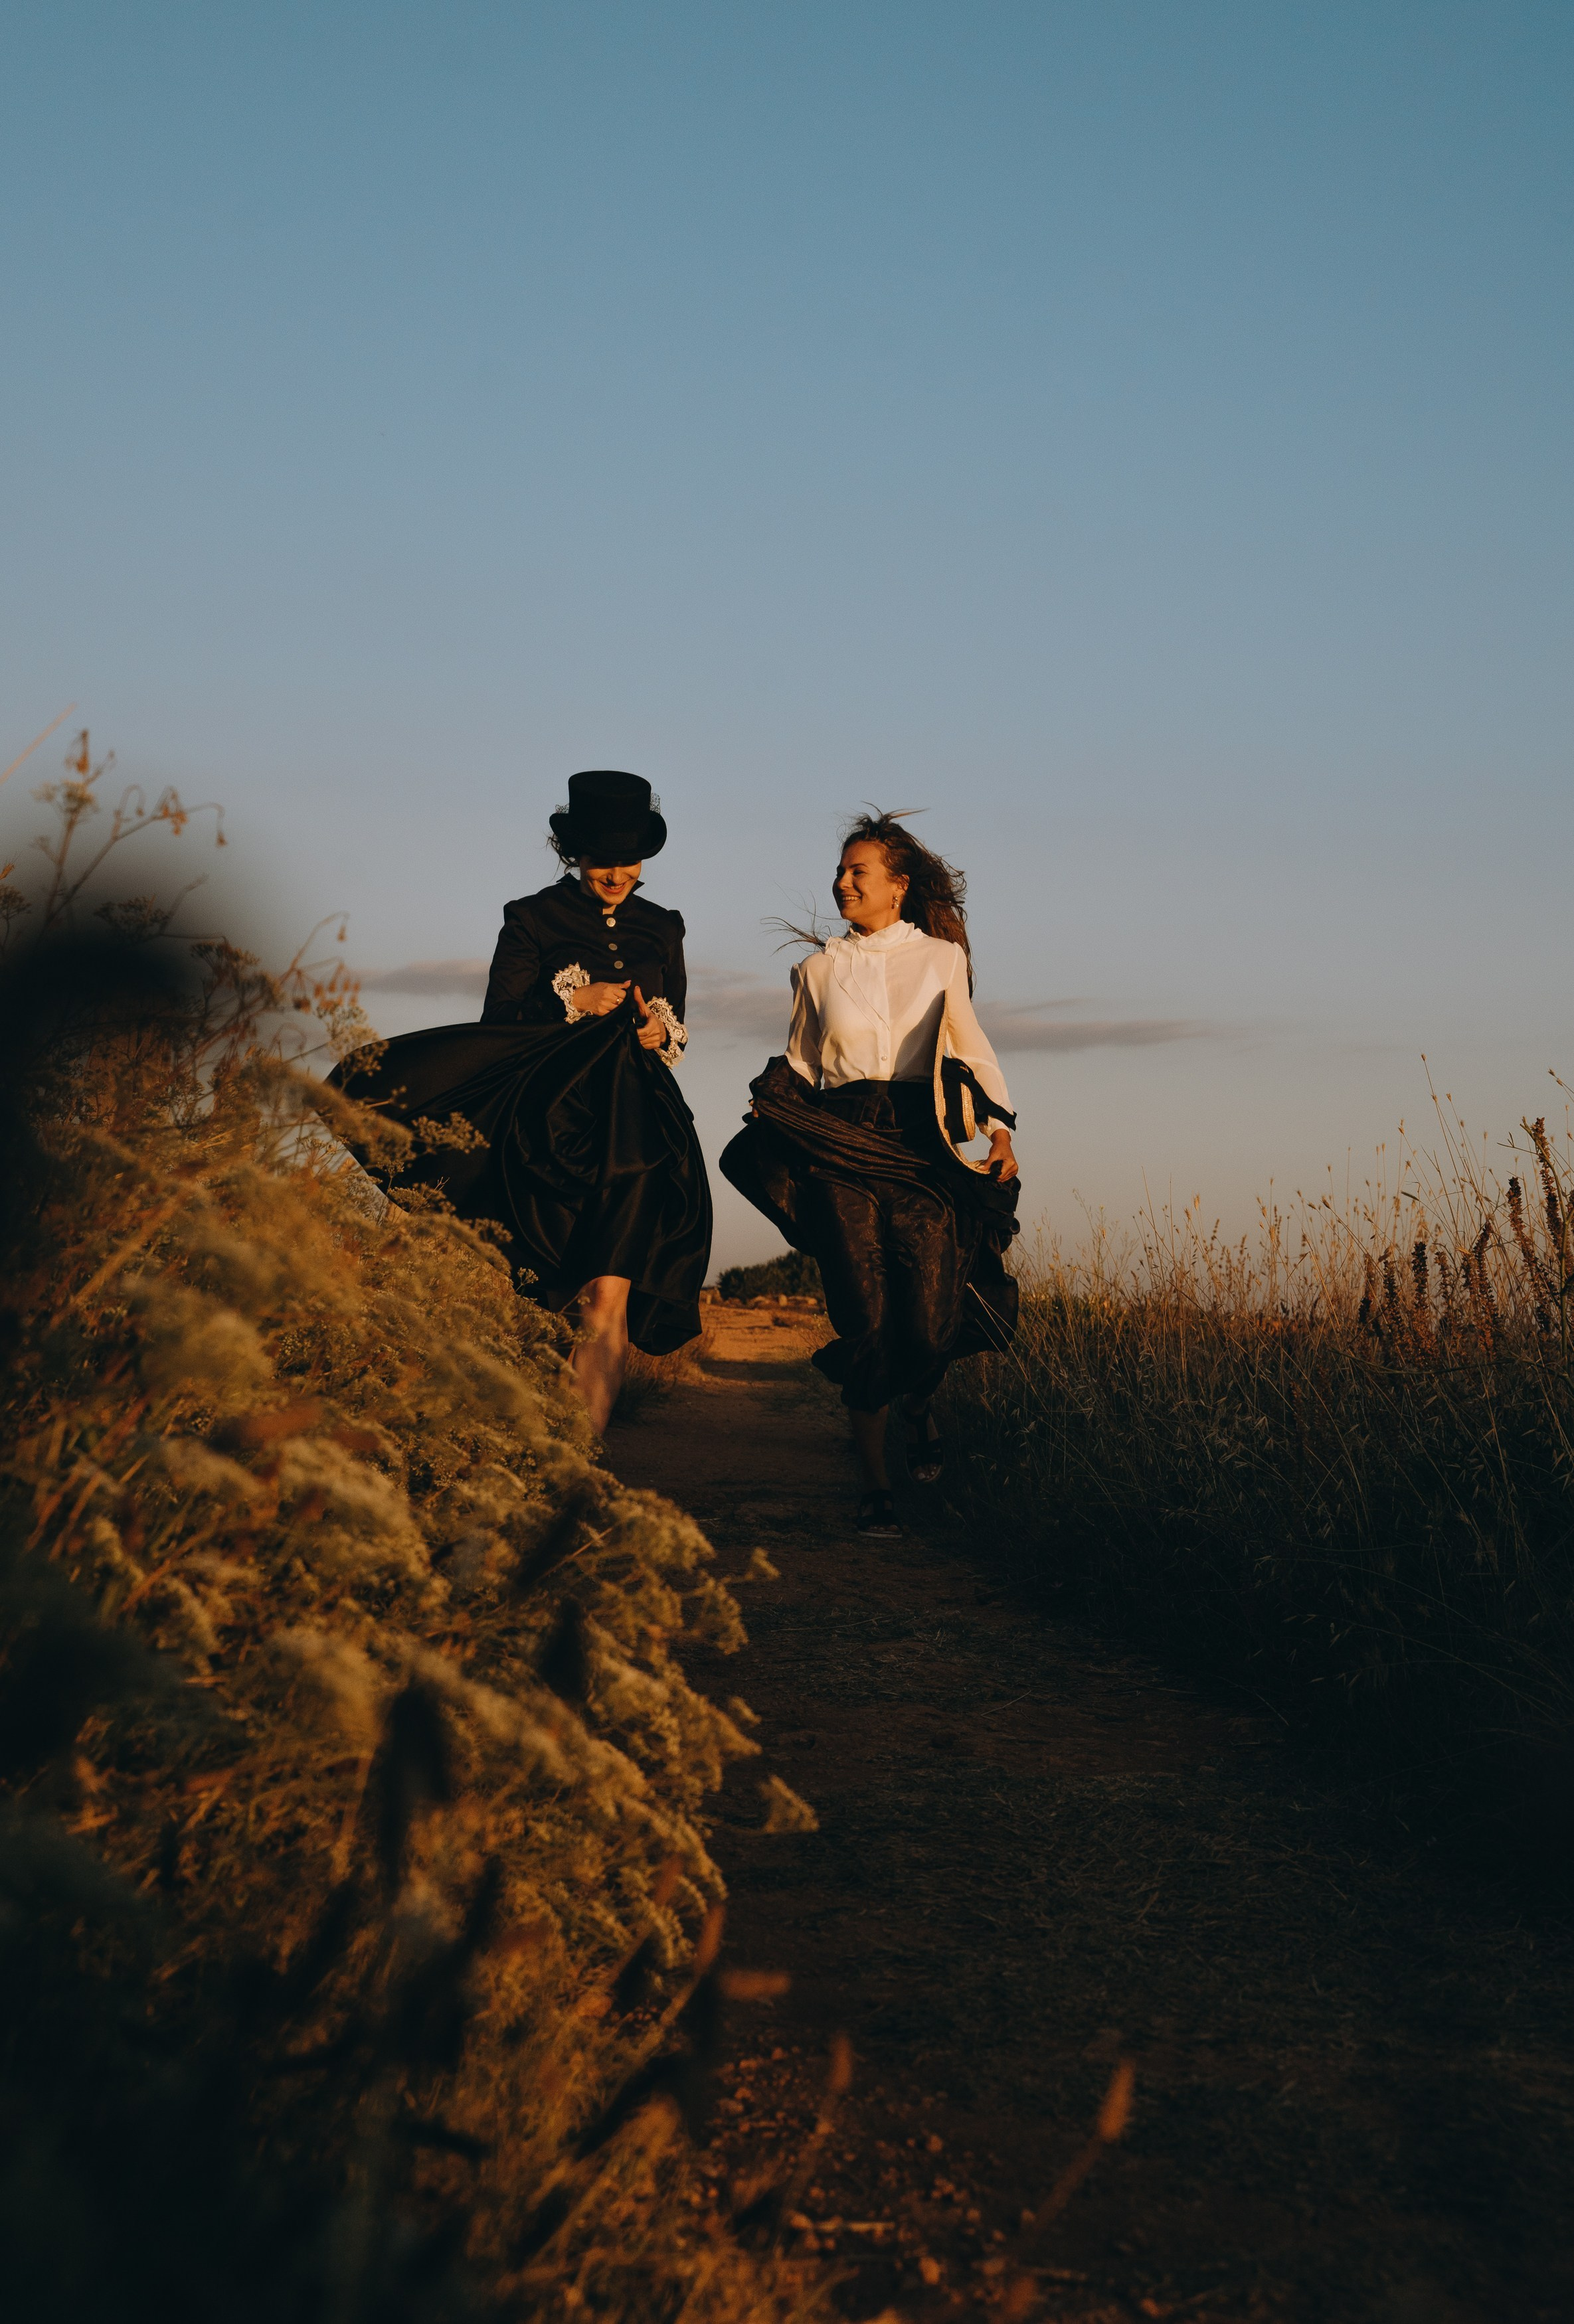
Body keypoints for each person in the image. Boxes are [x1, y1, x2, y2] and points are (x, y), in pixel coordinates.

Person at [331, 770, 710, 1431]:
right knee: (549, 1303)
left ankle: (578, 1467)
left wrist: (658, 1030)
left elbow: (675, 1029)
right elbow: (497, 1019)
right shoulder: (531, 919)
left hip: (640, 1135)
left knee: (607, 1301)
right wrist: (570, 1003)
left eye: (628, 857)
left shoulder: (664, 928)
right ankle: (527, 1443)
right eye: (601, 856)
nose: (617, 870)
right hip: (546, 1133)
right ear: (573, 851)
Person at [721, 810, 1019, 1537]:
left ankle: (918, 1402)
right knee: (863, 1316)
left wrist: (999, 1126)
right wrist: (773, 1105)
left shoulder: (941, 959)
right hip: (839, 1140)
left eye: (859, 871)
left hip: (922, 1144)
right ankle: (876, 1485)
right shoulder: (816, 971)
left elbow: (969, 1046)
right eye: (841, 870)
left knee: (928, 1322)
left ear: (898, 885)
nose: (843, 881)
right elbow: (801, 1058)